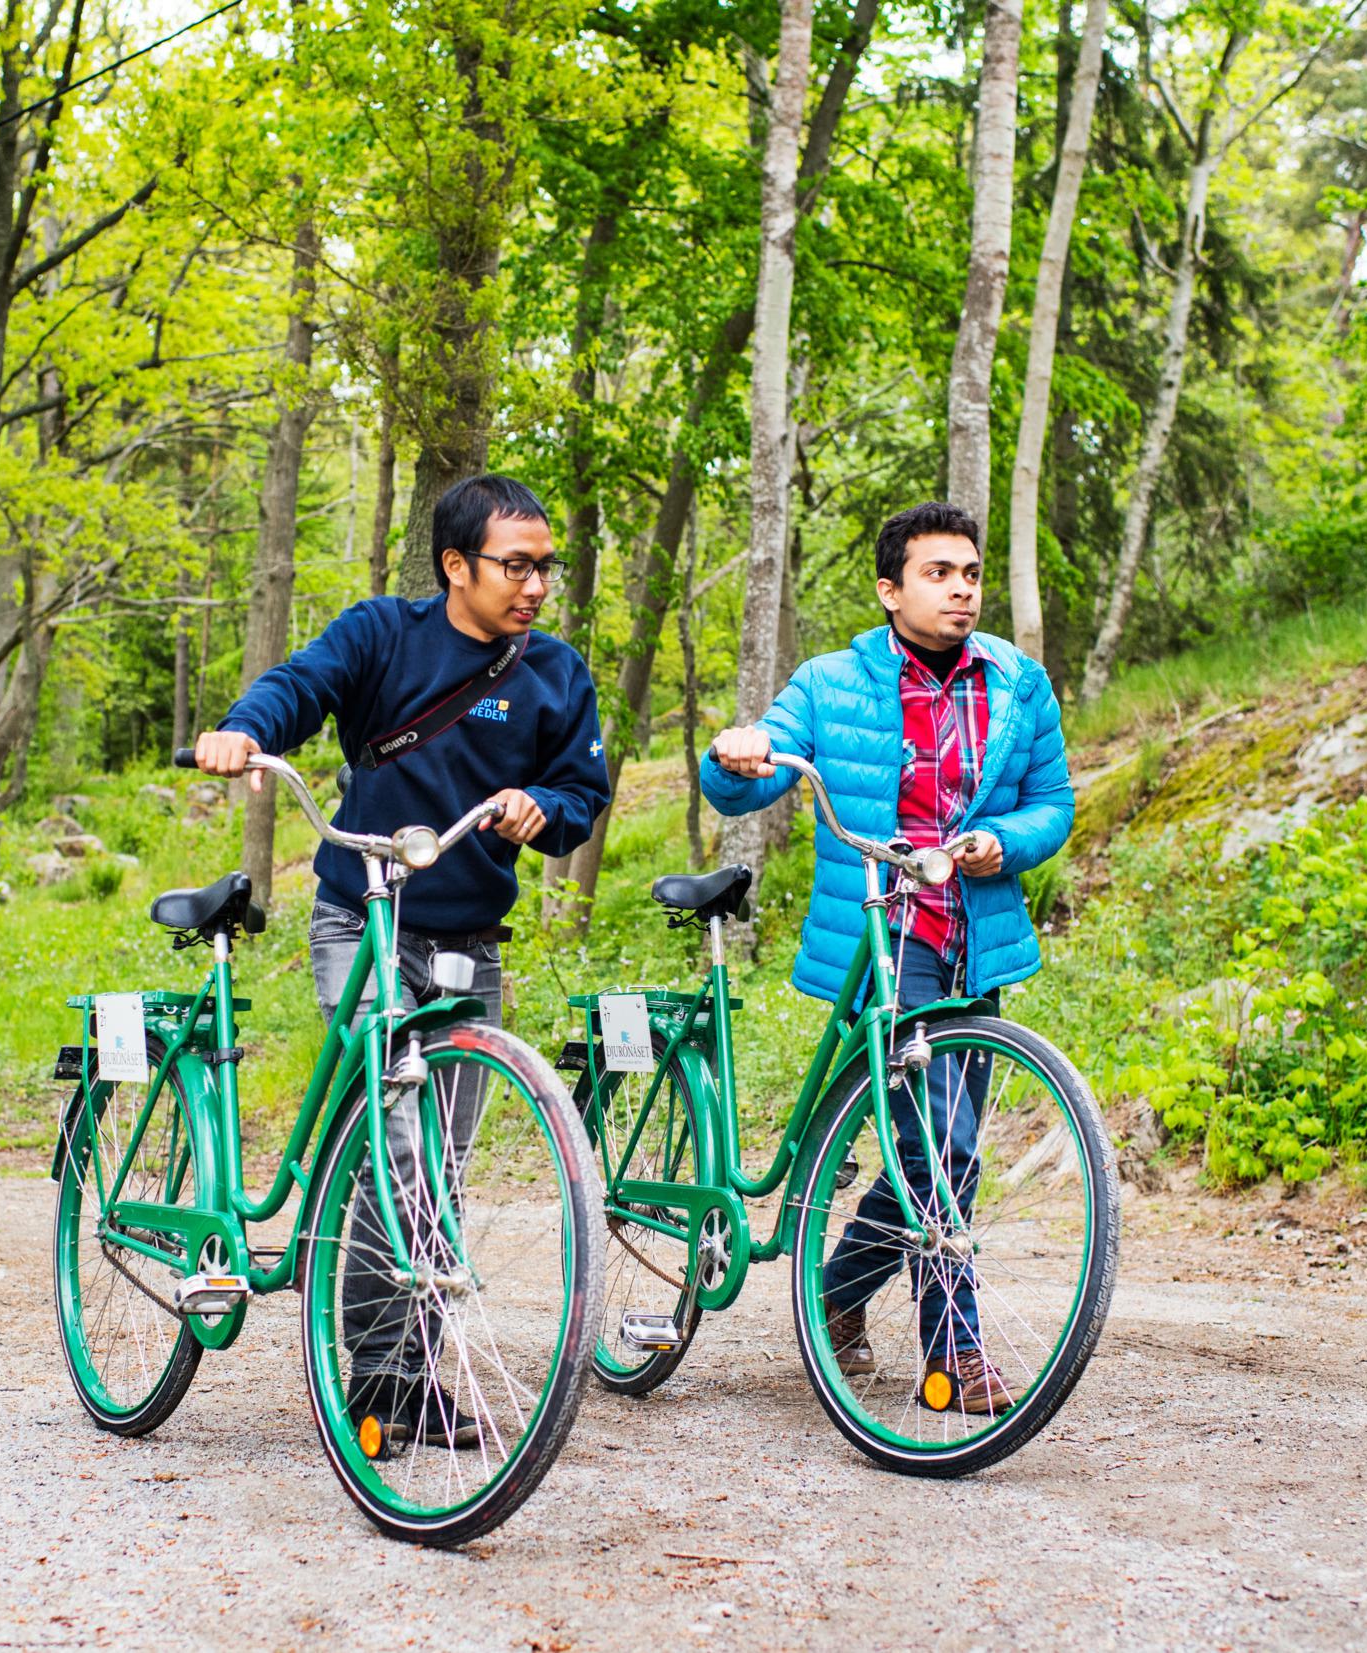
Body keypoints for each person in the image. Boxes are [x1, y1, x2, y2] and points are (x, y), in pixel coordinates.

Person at [191, 473, 609, 1453]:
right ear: (456, 565)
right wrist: (245, 730)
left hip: (473, 951)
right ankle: (383, 1384)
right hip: (364, 926)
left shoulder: (555, 674)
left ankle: (399, 1371)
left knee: (433, 1172)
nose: (536, 585)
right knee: (400, 1141)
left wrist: (545, 808)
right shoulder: (384, 633)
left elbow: (581, 787)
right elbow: (301, 685)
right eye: (516, 565)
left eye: (546, 566)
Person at [700, 500, 1074, 1415]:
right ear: (890, 587)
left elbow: (1052, 802)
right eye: (938, 573)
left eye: (971, 574)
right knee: (935, 1144)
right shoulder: (832, 682)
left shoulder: (1019, 684)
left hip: (972, 940)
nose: (960, 590)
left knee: (938, 1144)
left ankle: (832, 1291)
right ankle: (958, 1352)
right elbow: (740, 776)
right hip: (882, 937)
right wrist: (738, 750)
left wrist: (1004, 843)